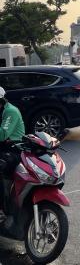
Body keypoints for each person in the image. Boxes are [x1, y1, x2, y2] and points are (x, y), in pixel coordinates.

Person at [0, 87, 25, 222]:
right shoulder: (3, 110)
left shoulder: (10, 111)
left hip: (13, 150)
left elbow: (3, 134)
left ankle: (1, 210)